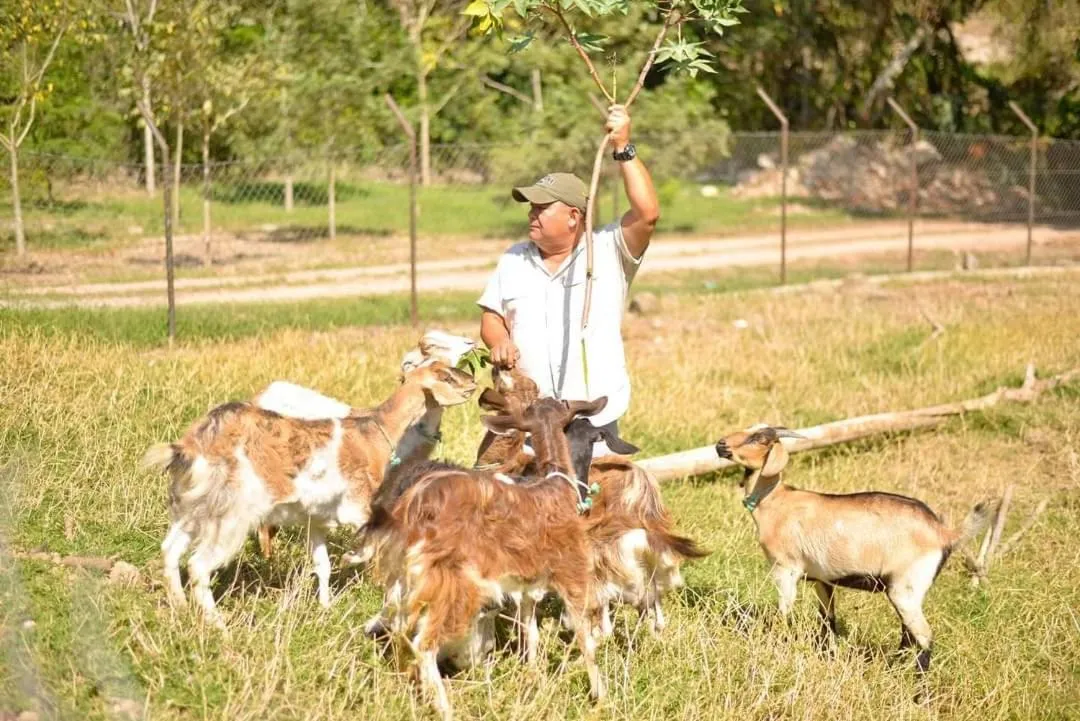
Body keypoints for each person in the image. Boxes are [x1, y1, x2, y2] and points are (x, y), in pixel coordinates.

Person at [477, 104, 660, 454]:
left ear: (573, 216)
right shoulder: (514, 259)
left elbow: (647, 214)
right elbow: (492, 317)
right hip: (528, 416)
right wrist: (499, 341)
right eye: (530, 207)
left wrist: (623, 147)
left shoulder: (607, 251)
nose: (531, 214)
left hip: (591, 418)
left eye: (541, 208)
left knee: (589, 488)